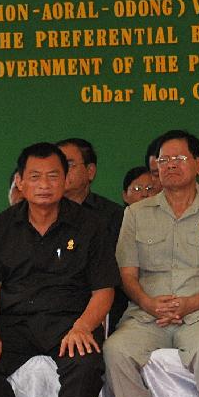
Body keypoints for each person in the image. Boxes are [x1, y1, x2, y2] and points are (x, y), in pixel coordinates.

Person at [0, 142, 118, 397]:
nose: (44, 185)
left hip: (69, 322)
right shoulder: (1, 227)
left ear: (65, 179)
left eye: (53, 176)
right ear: (20, 181)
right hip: (15, 323)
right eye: (35, 177)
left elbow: (103, 291)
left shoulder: (90, 225)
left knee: (86, 366)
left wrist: (83, 327)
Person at [105, 130, 199, 397]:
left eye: (179, 158)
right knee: (116, 350)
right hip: (147, 313)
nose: (170, 165)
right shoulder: (135, 214)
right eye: (163, 160)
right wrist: (149, 303)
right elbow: (127, 274)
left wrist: (191, 303)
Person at [57, 137, 127, 329]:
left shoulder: (113, 215)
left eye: (68, 164)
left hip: (99, 303)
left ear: (90, 171)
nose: (60, 171)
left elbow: (118, 272)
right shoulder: (41, 214)